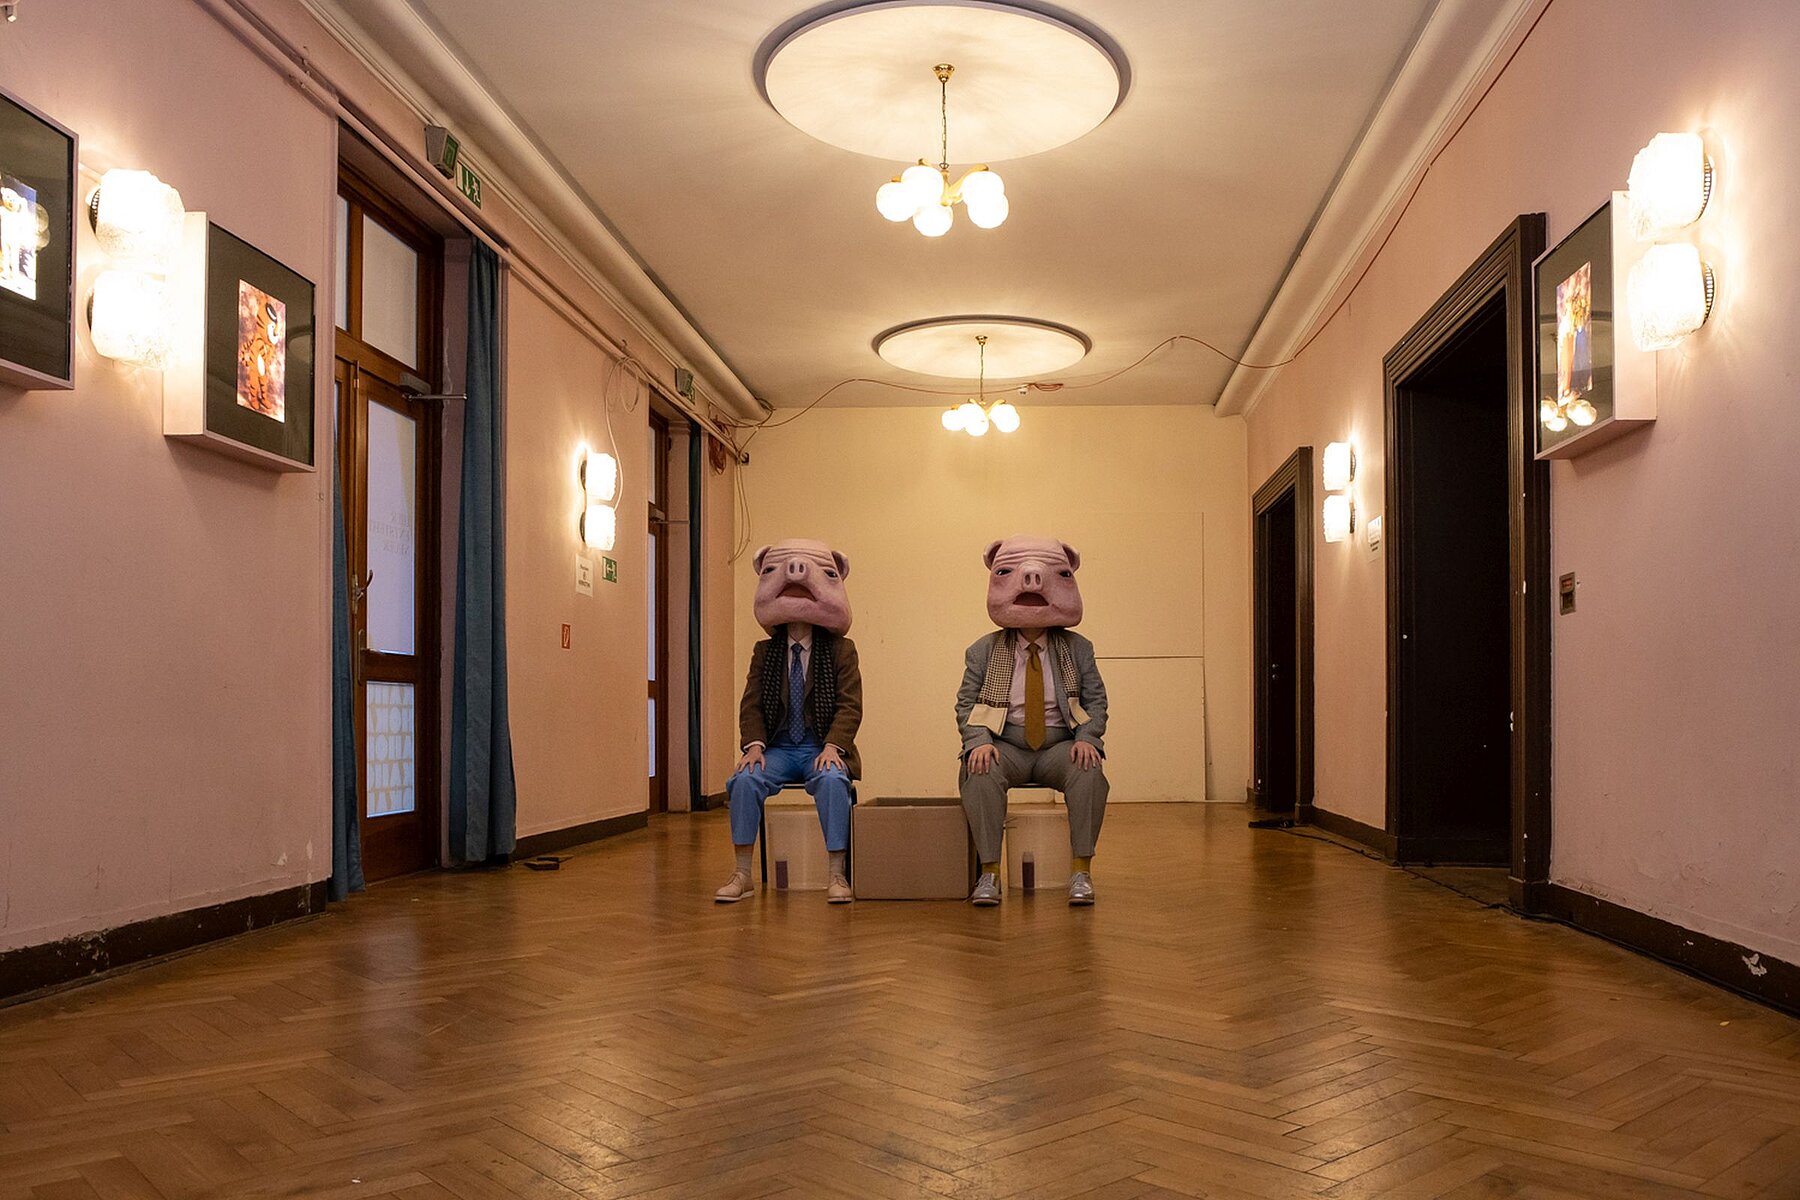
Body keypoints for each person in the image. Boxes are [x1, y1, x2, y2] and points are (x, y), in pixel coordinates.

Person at [955, 536, 1108, 907]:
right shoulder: (983, 649)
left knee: (1089, 771)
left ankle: (1081, 870)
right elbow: (966, 703)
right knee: (978, 771)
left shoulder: (1077, 647)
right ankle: (989, 873)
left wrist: (1088, 737)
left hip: (1059, 743)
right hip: (1005, 743)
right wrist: (978, 741)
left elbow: (1096, 701)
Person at [715, 539, 862, 904]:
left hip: (819, 746)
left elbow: (850, 705)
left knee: (832, 780)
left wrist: (833, 746)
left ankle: (836, 874)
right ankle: (743, 873)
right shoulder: (765, 652)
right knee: (743, 780)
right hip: (779, 748)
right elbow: (750, 705)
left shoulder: (842, 650)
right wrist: (754, 745)